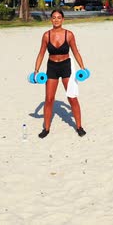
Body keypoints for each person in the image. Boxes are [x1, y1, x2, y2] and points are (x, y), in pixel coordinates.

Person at [33, 9, 87, 138]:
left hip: (66, 66)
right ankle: (46, 128)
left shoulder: (69, 34)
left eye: (59, 17)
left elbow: (75, 52)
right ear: (51, 19)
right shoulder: (46, 35)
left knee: (72, 97)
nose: (56, 20)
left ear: (63, 19)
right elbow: (41, 53)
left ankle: (79, 126)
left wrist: (83, 68)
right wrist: (36, 71)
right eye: (54, 17)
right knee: (49, 99)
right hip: (52, 67)